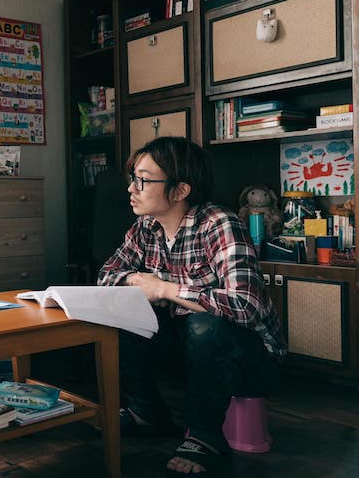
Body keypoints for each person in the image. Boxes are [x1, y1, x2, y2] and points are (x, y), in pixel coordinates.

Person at [97, 136, 286, 475]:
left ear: (180, 190)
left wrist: (165, 289)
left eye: (143, 180)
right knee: (119, 314)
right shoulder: (145, 227)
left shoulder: (219, 223)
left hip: (250, 359)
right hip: (189, 354)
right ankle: (146, 413)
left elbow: (246, 305)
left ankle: (204, 434)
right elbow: (107, 275)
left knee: (206, 324)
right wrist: (136, 283)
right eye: (133, 179)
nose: (131, 189)